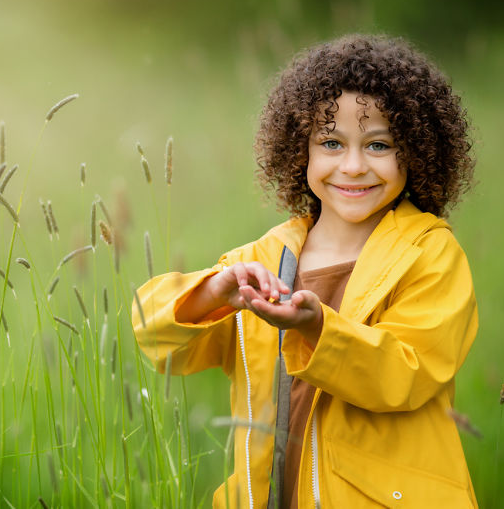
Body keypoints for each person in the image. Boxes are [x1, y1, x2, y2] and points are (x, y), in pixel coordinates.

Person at [133, 34, 479, 508]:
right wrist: (212, 291)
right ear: (302, 152)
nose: (353, 166)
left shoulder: (429, 253)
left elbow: (407, 373)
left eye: (378, 145)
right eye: (332, 142)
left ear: (416, 151)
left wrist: (318, 327)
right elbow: (159, 341)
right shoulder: (266, 257)